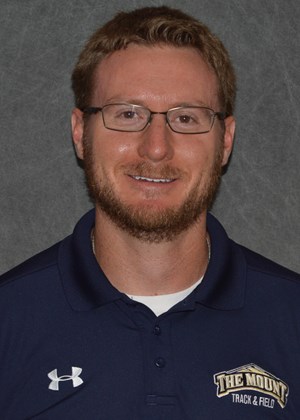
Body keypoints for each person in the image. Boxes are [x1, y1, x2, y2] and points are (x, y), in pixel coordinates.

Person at [0, 5, 299, 419]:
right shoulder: (8, 321)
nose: (156, 147)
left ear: (225, 140)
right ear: (79, 133)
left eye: (187, 118)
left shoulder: (291, 319)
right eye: (128, 114)